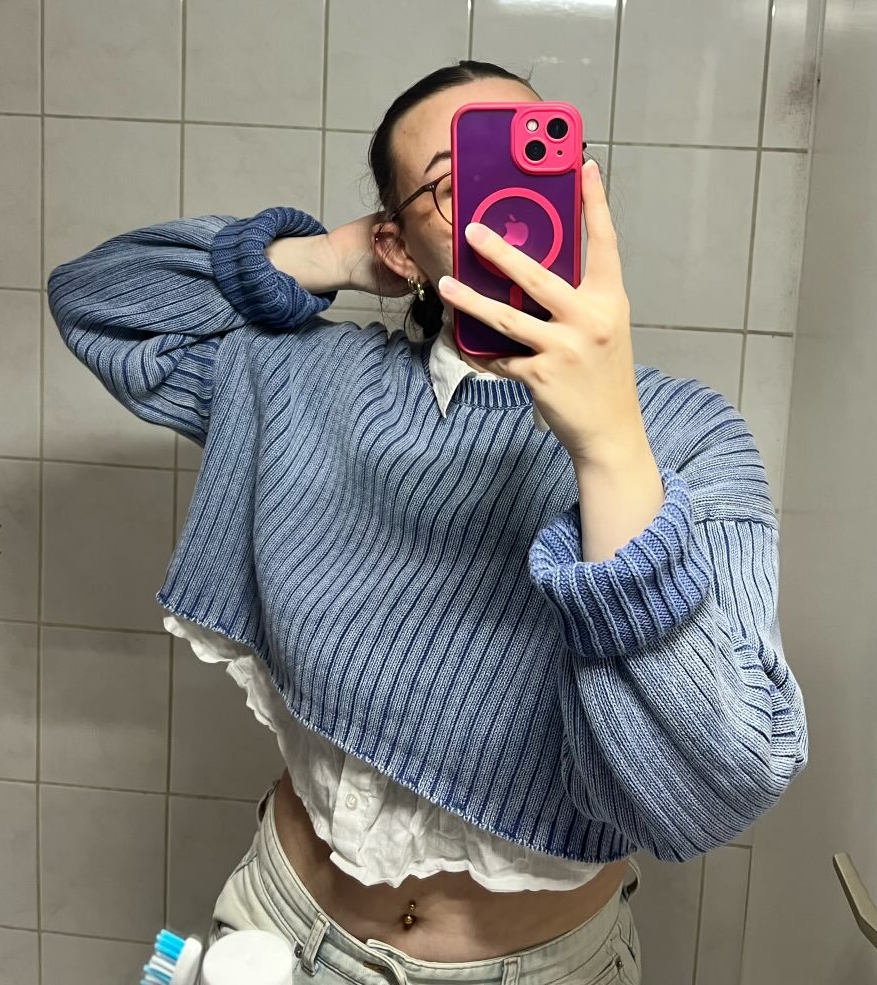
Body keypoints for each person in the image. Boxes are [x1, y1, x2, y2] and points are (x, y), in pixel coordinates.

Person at [48, 60, 808, 985]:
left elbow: (721, 782)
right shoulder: (313, 383)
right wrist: (337, 257)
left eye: (537, 166)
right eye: (456, 186)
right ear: (401, 247)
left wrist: (610, 448)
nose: (505, 204)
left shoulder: (686, 437)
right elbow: (102, 302)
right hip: (278, 928)